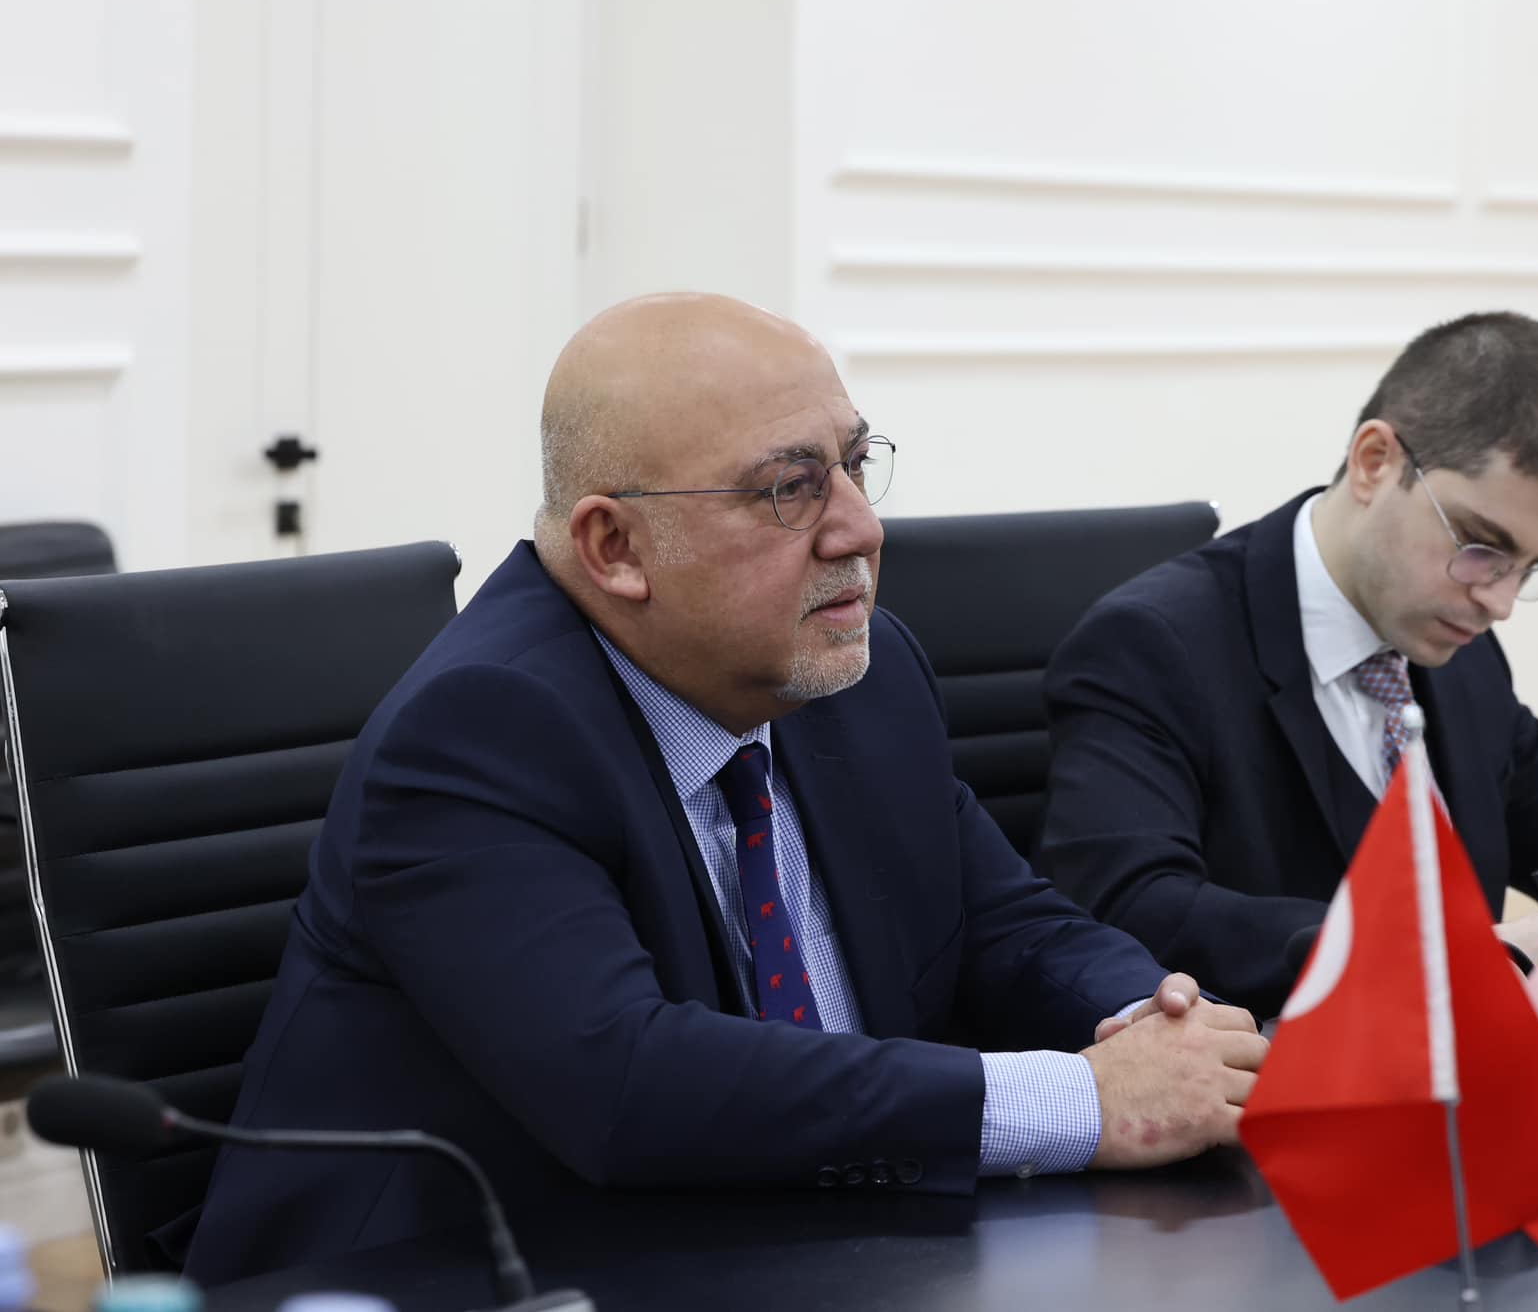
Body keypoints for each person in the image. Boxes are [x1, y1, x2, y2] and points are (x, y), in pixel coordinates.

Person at [175, 293, 1264, 1283]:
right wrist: (1080, 1101)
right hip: (456, 1274)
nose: (860, 527)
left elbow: (1003, 923)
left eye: (855, 463)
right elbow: (627, 1081)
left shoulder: (856, 673)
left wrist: (1154, 1023)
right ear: (615, 546)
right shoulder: (480, 732)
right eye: (790, 488)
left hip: (798, 1248)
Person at [1037, 311, 1538, 1023]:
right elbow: (1133, 910)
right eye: (1481, 547)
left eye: (1531, 567)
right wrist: (1473, 954)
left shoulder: (1454, 650)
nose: (1501, 602)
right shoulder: (1153, 645)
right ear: (1374, 462)